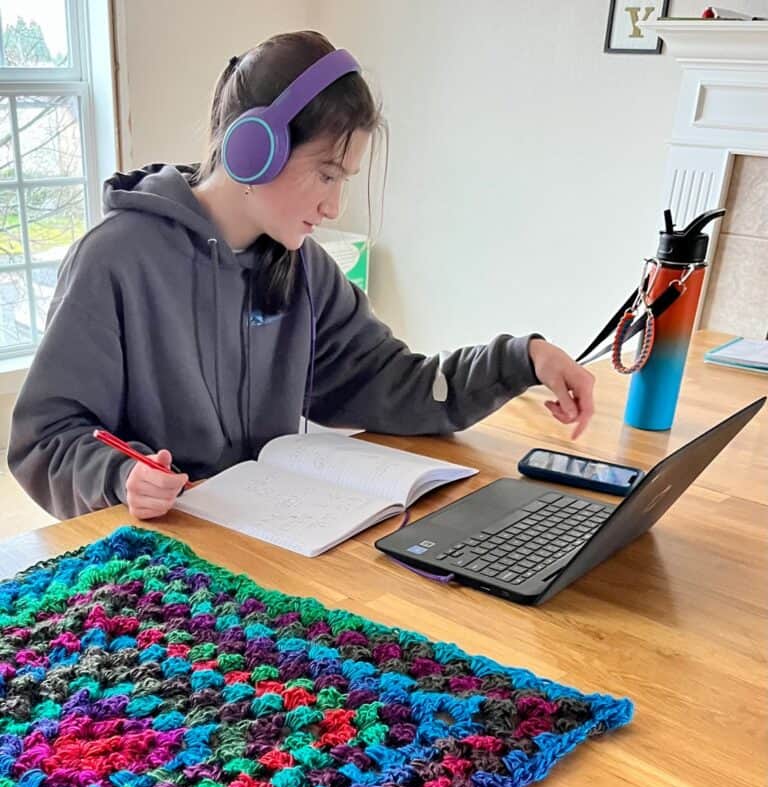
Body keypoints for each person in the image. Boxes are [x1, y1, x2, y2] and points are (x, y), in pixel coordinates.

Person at [9, 30, 594, 522]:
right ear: (252, 150)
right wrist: (120, 475)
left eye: (346, 179)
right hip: (163, 564)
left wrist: (522, 358)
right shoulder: (116, 259)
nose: (335, 206)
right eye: (326, 174)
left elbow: (396, 385)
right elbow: (46, 439)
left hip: (271, 551)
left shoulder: (304, 266)